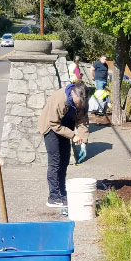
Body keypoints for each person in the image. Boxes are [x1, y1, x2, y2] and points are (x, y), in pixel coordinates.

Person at [38, 80, 89, 208]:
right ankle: (53, 197)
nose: (79, 105)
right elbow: (54, 123)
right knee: (55, 162)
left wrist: (83, 140)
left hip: (65, 127)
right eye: (77, 103)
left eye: (81, 103)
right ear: (72, 93)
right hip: (51, 128)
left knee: (65, 161)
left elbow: (82, 121)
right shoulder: (60, 99)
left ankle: (62, 192)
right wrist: (73, 135)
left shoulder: (83, 101)